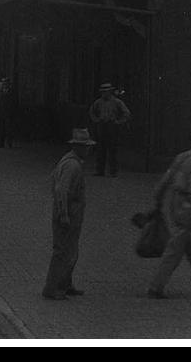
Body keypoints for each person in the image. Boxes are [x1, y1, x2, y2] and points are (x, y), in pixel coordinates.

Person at [147, 128, 191, 298]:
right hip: (187, 204)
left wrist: (158, 199)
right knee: (177, 245)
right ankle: (156, 286)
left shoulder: (182, 157)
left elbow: (166, 179)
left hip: (174, 200)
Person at [42, 128, 95, 300]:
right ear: (78, 147)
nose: (88, 149)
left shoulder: (69, 161)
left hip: (71, 213)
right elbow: (61, 190)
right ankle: (53, 288)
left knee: (70, 250)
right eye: (85, 146)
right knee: (63, 251)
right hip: (68, 214)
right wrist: (64, 214)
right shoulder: (72, 165)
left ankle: (66, 284)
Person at [88, 82, 131, 176]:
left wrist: (118, 122)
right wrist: (96, 120)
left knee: (112, 149)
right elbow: (91, 112)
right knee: (100, 149)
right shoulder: (98, 102)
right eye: (103, 92)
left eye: (106, 92)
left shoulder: (117, 102)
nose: (104, 94)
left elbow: (126, 113)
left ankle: (113, 171)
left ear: (110, 92)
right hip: (102, 125)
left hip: (112, 126)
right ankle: (100, 170)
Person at [0, 77, 17, 148]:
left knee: (8, 129)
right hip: (1, 112)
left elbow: (13, 103)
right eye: (4, 84)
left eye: (6, 83)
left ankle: (9, 143)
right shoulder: (0, 92)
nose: (4, 85)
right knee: (1, 129)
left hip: (8, 113)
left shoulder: (11, 92)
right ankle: (1, 143)